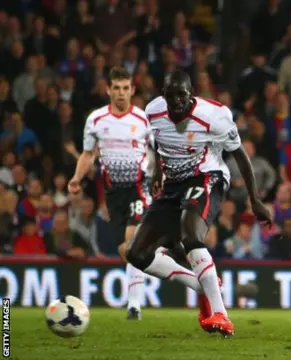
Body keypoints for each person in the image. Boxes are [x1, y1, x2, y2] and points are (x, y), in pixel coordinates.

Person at [125, 70, 272, 336]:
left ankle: (221, 314)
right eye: (170, 95)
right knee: (136, 254)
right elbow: (157, 141)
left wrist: (255, 200)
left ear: (191, 93)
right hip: (172, 185)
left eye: (181, 94)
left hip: (208, 177)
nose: (176, 101)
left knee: (190, 233)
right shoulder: (153, 112)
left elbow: (239, 154)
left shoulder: (214, 116)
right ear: (163, 95)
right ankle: (202, 284)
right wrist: (159, 171)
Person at [68, 67, 153, 321]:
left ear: (132, 90)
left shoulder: (143, 120)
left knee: (132, 241)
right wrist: (76, 178)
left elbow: (156, 153)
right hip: (112, 193)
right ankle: (157, 257)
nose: (121, 93)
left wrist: (161, 178)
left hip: (139, 187)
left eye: (125, 88)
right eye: (116, 88)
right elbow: (88, 154)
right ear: (108, 90)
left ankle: (134, 306)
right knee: (125, 251)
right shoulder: (95, 120)